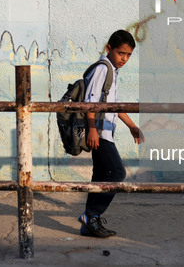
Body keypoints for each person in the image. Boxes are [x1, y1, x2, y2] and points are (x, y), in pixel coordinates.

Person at [78, 29, 144, 238]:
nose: (124, 58)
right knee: (117, 173)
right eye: (121, 53)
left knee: (100, 175)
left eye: (128, 55)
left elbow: (113, 105)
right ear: (109, 49)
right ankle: (92, 216)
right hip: (99, 133)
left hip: (105, 131)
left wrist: (131, 125)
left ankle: (90, 222)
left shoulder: (112, 70)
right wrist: (92, 130)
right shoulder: (103, 69)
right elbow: (90, 102)